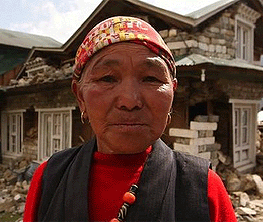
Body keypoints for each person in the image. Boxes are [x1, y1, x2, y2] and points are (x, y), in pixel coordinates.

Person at [24, 16, 237, 222]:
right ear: (80, 96)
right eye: (107, 78)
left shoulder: (202, 188)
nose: (129, 100)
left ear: (172, 94)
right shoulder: (50, 178)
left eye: (151, 78)